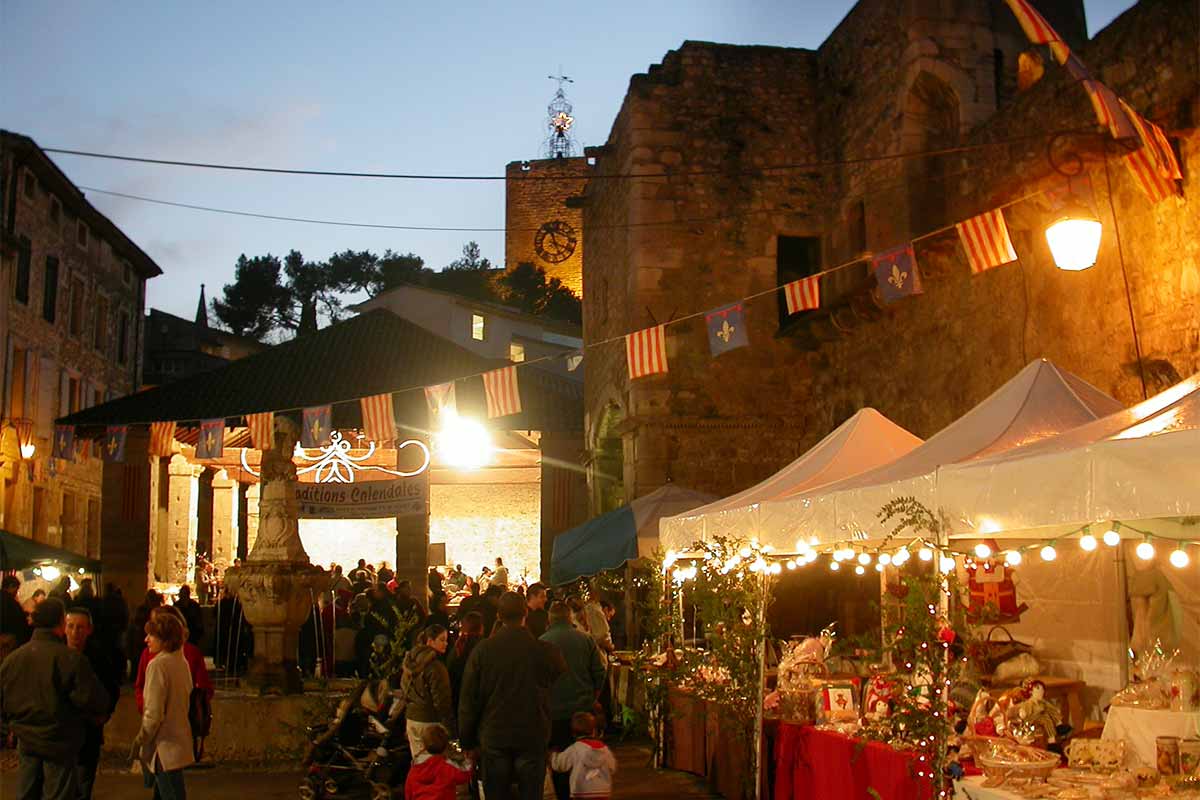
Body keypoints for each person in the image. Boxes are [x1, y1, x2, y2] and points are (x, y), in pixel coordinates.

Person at [458, 592, 566, 800]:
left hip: (495, 733)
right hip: (532, 731)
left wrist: (467, 741)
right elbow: (559, 669)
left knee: (496, 793)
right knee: (531, 793)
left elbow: (468, 700)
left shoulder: (484, 651)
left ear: (498, 616)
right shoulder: (543, 650)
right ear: (525, 613)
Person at [0, 598, 110, 800]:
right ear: (60, 624)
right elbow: (94, 699)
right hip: (59, 739)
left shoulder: (13, 659)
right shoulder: (69, 659)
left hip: (26, 737)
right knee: (58, 793)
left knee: (27, 790)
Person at [541, 602, 607, 800]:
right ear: (570, 618)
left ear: (550, 619)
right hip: (582, 709)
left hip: (554, 713)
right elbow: (600, 671)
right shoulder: (585, 639)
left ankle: (564, 794)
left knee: (561, 761)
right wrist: (593, 696)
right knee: (585, 759)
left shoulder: (542, 642)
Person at [135, 606, 214, 761]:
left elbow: (203, 688)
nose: (147, 638)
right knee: (160, 777)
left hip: (168, 734)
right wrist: (144, 705)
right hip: (164, 730)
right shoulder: (151, 656)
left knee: (167, 778)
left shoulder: (179, 658)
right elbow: (140, 684)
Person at [132, 610, 194, 800]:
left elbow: (154, 713)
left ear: (164, 639)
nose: (146, 639)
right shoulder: (180, 662)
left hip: (164, 748)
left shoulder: (158, 665)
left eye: (152, 635)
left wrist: (139, 740)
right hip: (176, 744)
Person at [65, 607, 121, 800]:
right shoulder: (57, 654)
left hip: (88, 732)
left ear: (89, 629)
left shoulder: (98, 657)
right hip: (61, 733)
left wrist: (105, 715)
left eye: (80, 627)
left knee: (82, 784)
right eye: (70, 626)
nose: (74, 632)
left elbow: (112, 688)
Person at [401, 624, 454, 760]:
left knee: (419, 763)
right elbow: (442, 701)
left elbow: (403, 687)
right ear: (430, 641)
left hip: (412, 718)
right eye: (442, 640)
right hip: (430, 721)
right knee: (435, 765)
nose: (446, 643)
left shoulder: (409, 662)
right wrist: (450, 727)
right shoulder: (436, 667)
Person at [550, 711, 616, 800]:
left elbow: (560, 764)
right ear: (594, 731)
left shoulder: (575, 749)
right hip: (603, 791)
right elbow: (613, 767)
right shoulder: (604, 749)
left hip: (581, 791)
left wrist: (553, 755)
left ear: (573, 734)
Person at [404, 723, 472, 800]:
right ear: (446, 746)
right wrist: (465, 759)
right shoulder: (446, 766)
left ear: (424, 745)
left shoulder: (414, 769)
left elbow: (408, 792)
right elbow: (464, 774)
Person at [448, 611, 484, 713]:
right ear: (481, 627)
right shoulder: (483, 646)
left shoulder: (459, 644)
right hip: (475, 695)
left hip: (458, 692)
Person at [0, 574, 32, 655]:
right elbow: (19, 621)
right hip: (8, 640)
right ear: (11, 586)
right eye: (16, 589)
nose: (16, 592)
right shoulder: (10, 601)